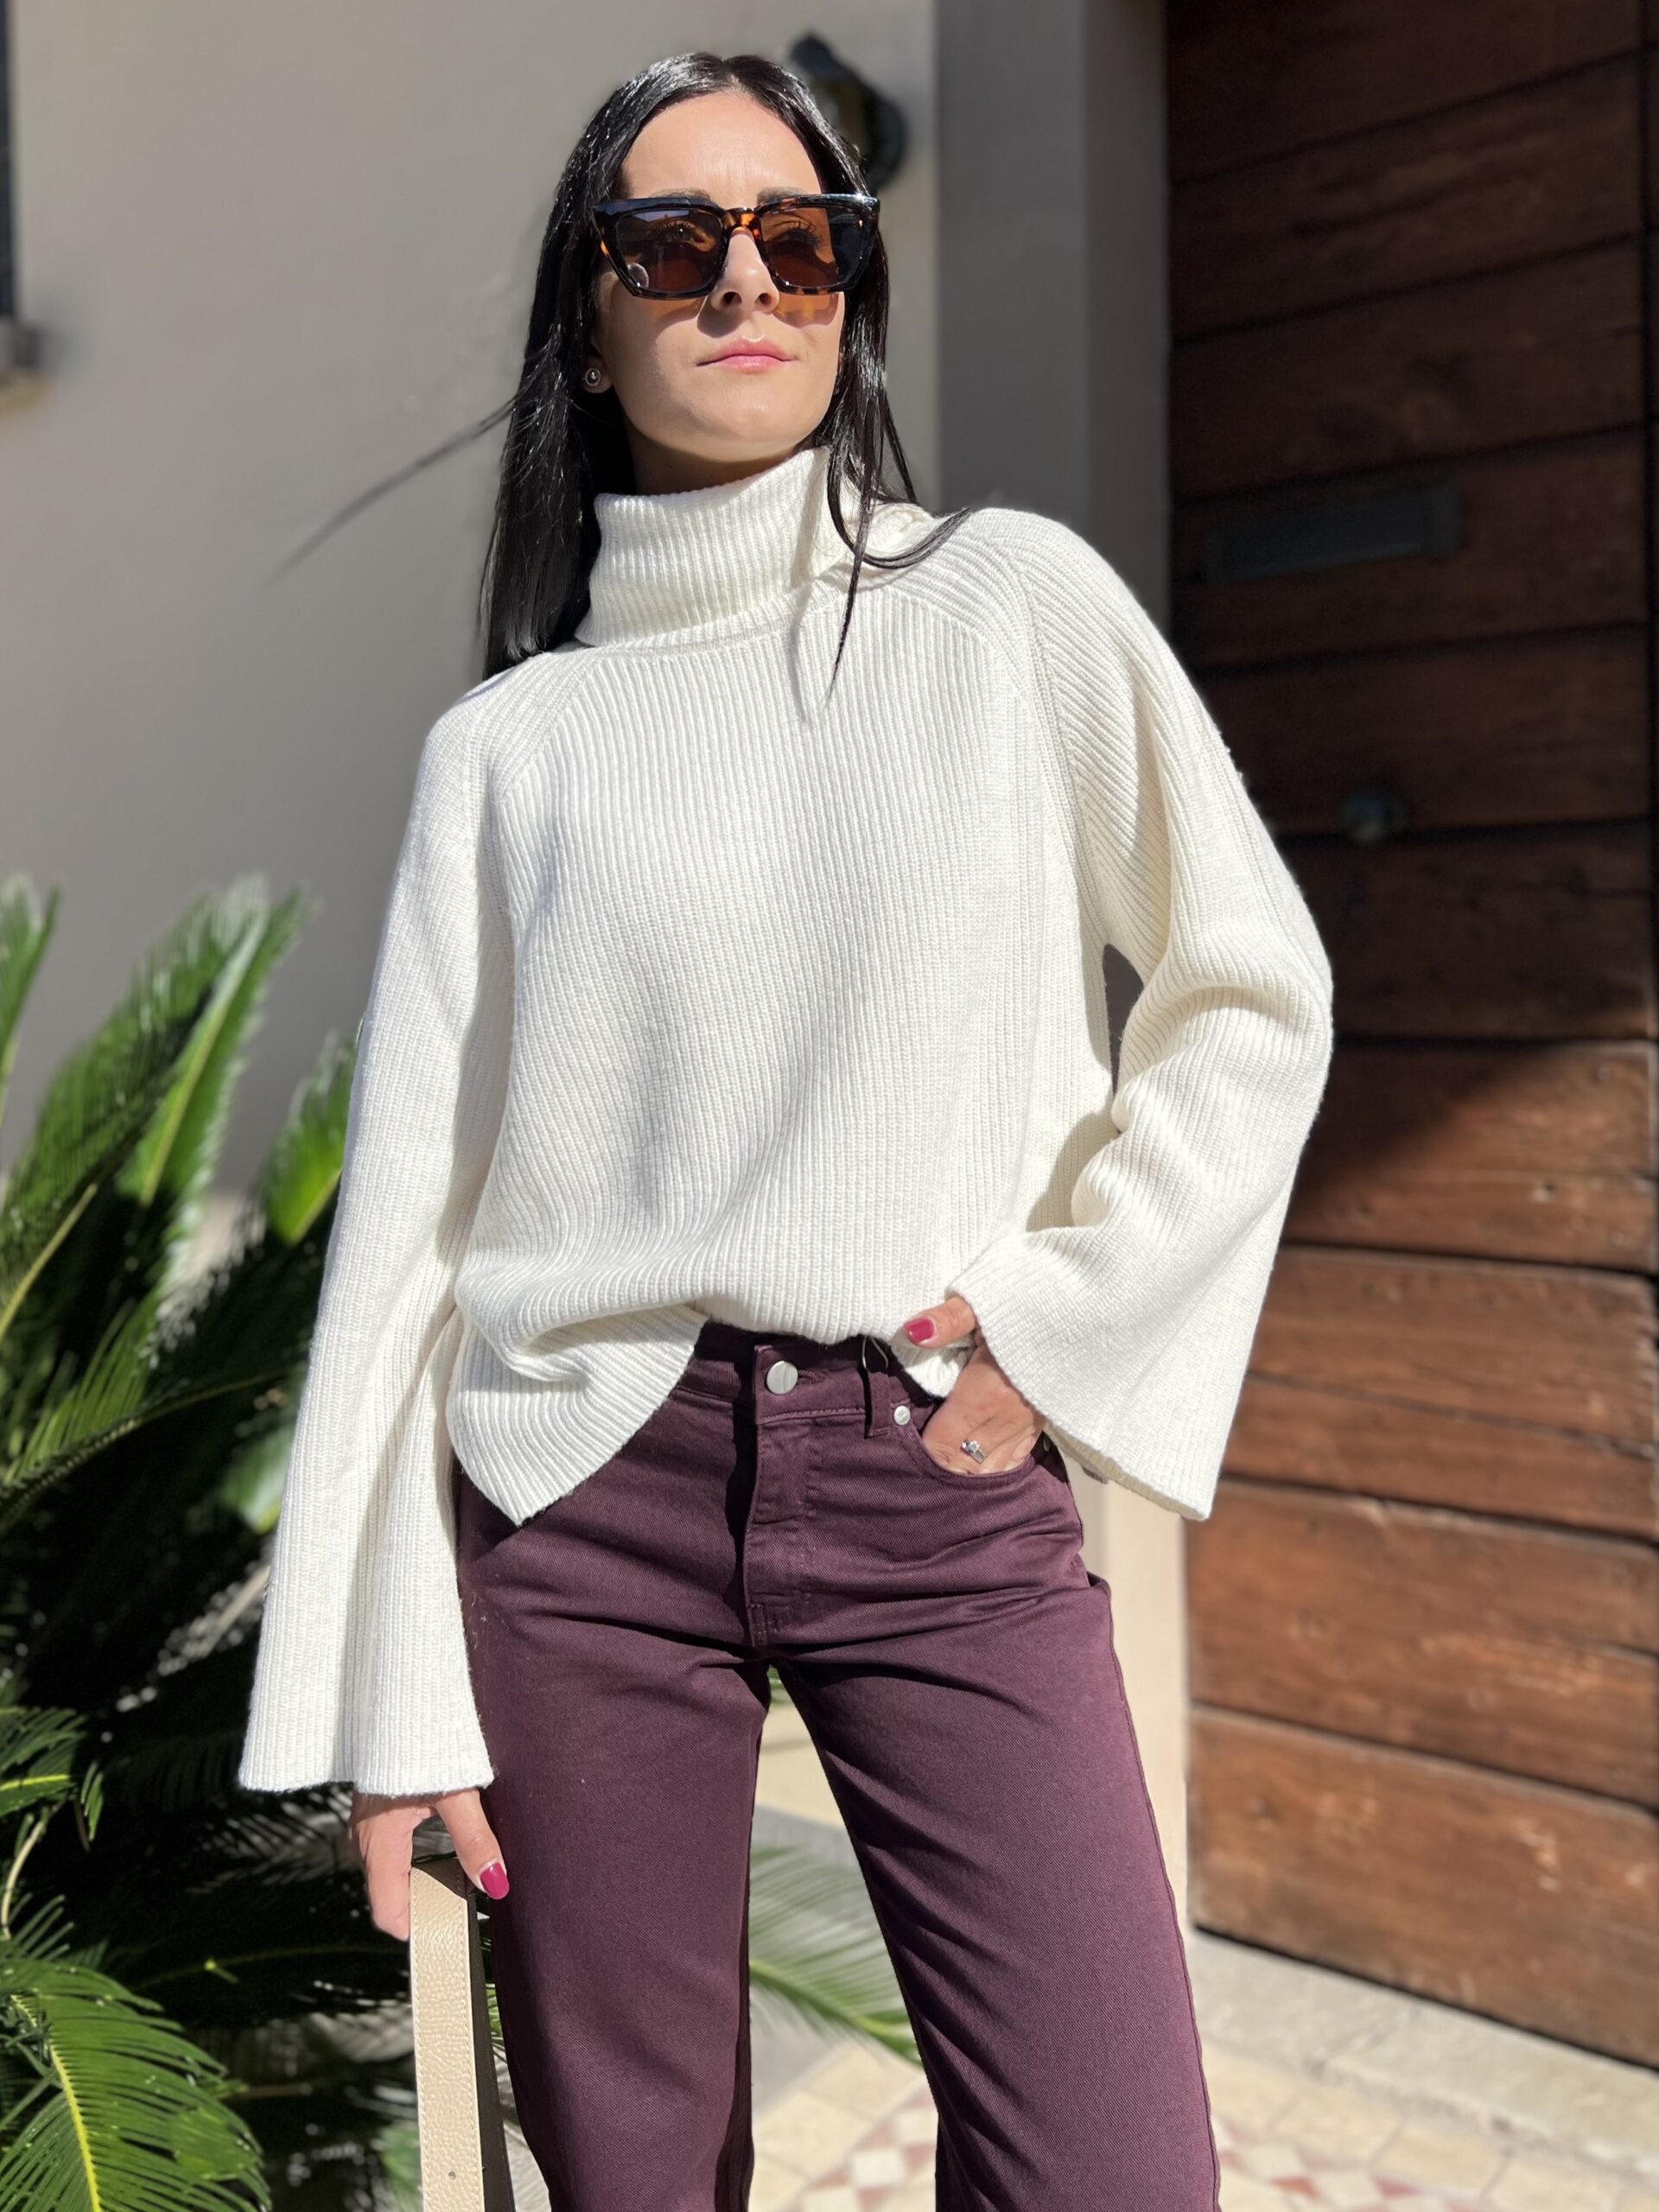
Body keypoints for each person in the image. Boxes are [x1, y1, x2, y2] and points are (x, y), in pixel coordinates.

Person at [238, 47, 1335, 2212]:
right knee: (635, 2175)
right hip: (582, 1498)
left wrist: (1056, 1318)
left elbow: (1251, 992)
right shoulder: (512, 750)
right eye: (675, 243)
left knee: (1114, 2167)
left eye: (803, 239)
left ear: (852, 291)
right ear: (590, 320)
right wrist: (394, 1693)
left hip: (930, 1467)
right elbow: (416, 1245)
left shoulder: (1009, 608)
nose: (746, 280)